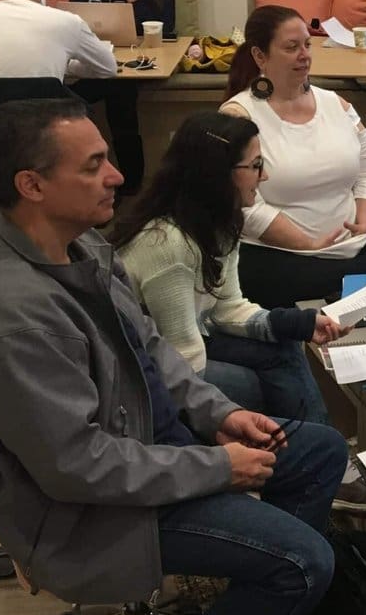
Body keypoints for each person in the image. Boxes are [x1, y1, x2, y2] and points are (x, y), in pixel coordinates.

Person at [0, 97, 347, 615]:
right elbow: (76, 467)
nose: (118, 176)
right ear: (31, 186)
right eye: (94, 165)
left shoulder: (83, 245)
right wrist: (216, 468)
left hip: (155, 454)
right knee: (303, 562)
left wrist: (217, 414)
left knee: (322, 451)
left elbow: (153, 351)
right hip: (87, 510)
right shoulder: (9, 314)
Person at [111, 110, 344, 426]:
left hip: (195, 340)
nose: (265, 176)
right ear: (218, 173)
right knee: (263, 388)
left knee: (286, 346)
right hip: (146, 369)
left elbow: (227, 310)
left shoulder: (222, 222)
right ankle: (302, 450)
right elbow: (183, 357)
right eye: (256, 165)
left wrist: (300, 322)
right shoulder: (167, 242)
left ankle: (309, 446)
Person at [221, 5, 366, 309]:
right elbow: (242, 204)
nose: (304, 54)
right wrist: (308, 244)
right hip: (281, 257)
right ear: (259, 56)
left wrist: (364, 219)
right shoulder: (237, 116)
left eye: (307, 44)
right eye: (292, 47)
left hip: (358, 245)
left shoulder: (337, 104)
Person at [69, 0, 178, 193]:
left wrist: (136, 0)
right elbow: (71, 23)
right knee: (69, 96)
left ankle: (130, 186)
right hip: (96, 61)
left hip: (138, 66)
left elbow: (166, 29)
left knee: (120, 95)